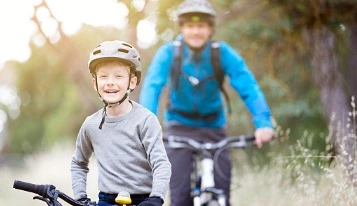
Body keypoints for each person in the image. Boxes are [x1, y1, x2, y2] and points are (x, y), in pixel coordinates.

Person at [139, 0, 274, 205]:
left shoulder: (221, 53)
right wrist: (146, 128)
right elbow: (152, 86)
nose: (195, 31)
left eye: (201, 26)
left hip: (214, 127)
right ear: (182, 28)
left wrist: (263, 123)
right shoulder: (169, 53)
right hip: (179, 126)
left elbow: (248, 86)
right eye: (190, 26)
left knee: (222, 193)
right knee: (180, 196)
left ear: (210, 29)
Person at [71, 40, 171, 206]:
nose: (110, 82)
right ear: (95, 83)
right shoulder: (91, 125)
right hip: (106, 200)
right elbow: (78, 163)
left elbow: (161, 163)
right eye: (103, 76)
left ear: (132, 82)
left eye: (118, 76)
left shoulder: (146, 120)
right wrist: (80, 197)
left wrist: (156, 197)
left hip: (144, 200)